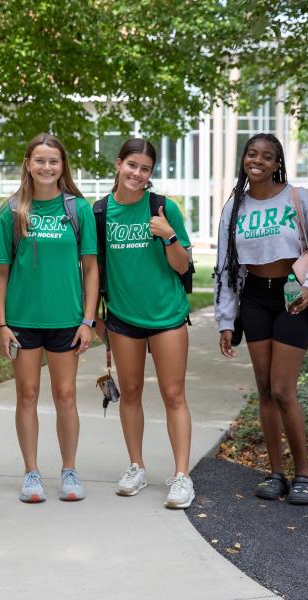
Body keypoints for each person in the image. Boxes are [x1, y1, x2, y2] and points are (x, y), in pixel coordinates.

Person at [214, 133, 308, 505]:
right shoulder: (234, 207)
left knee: (284, 390)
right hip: (254, 298)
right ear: (244, 159)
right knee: (265, 389)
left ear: (277, 163)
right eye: (252, 154)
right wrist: (225, 320)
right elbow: (224, 266)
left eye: (267, 156)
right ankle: (275, 473)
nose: (258, 161)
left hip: (291, 296)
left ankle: (304, 475)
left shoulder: (298, 199)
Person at [0, 133, 99, 503]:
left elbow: (90, 268)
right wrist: (1, 324)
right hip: (23, 322)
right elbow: (1, 273)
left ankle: (69, 471)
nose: (47, 167)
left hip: (67, 320)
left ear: (62, 166)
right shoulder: (11, 211)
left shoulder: (78, 209)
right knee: (27, 394)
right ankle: (31, 473)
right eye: (40, 160)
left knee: (66, 395)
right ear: (28, 163)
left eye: (54, 161)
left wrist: (88, 321)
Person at [95, 138, 195, 509]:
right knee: (131, 393)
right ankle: (136, 466)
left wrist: (167, 234)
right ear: (119, 164)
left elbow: (182, 265)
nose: (137, 174)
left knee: (173, 394)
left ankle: (181, 476)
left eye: (146, 169)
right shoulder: (100, 213)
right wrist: (94, 320)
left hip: (166, 316)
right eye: (132, 165)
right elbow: (91, 269)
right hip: (122, 318)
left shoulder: (164, 208)